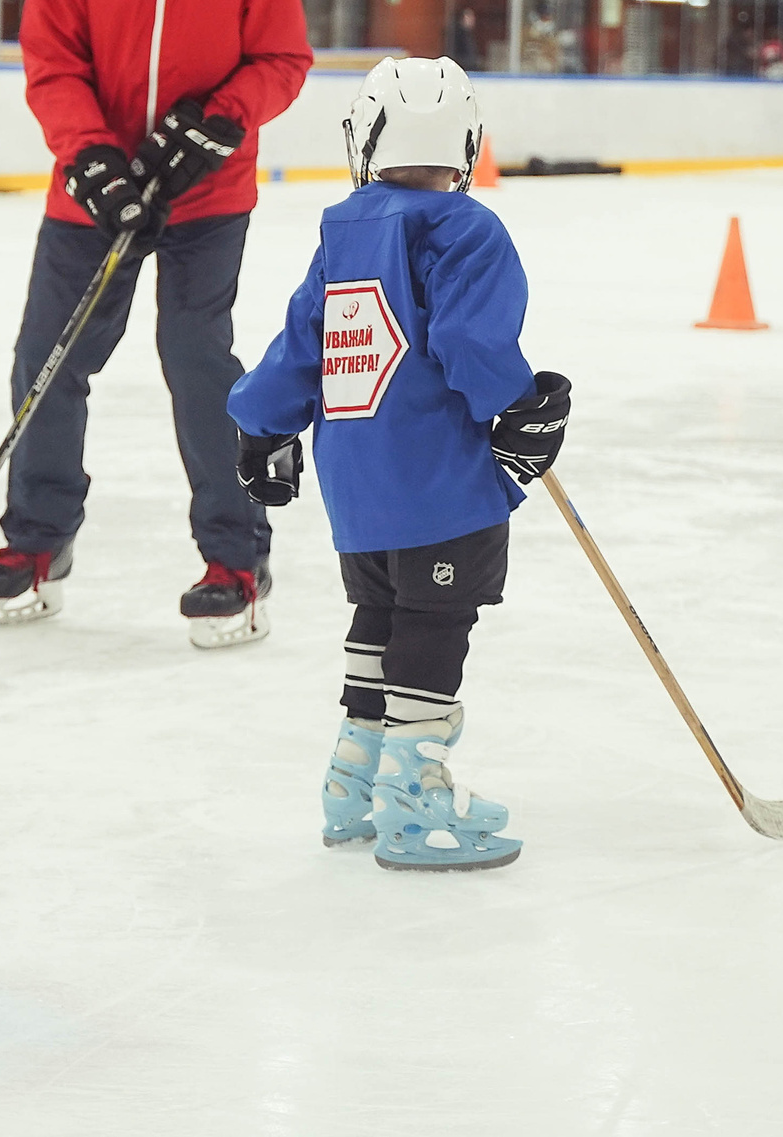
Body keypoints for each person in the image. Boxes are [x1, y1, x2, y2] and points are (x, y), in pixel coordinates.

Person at [0, 0, 315, 648]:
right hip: (95, 192)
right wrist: (88, 155)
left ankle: (236, 561)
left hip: (206, 193)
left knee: (197, 359)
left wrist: (219, 124)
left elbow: (283, 59)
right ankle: (38, 543)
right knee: (47, 359)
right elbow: (52, 60)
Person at [227, 56, 568, 872]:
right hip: (439, 485)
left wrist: (262, 425)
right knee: (434, 627)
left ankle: (356, 779)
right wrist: (520, 407)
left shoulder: (345, 226)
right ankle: (414, 798)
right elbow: (471, 340)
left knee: (379, 619)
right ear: (467, 140)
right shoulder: (466, 227)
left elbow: (302, 340)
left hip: (357, 490)